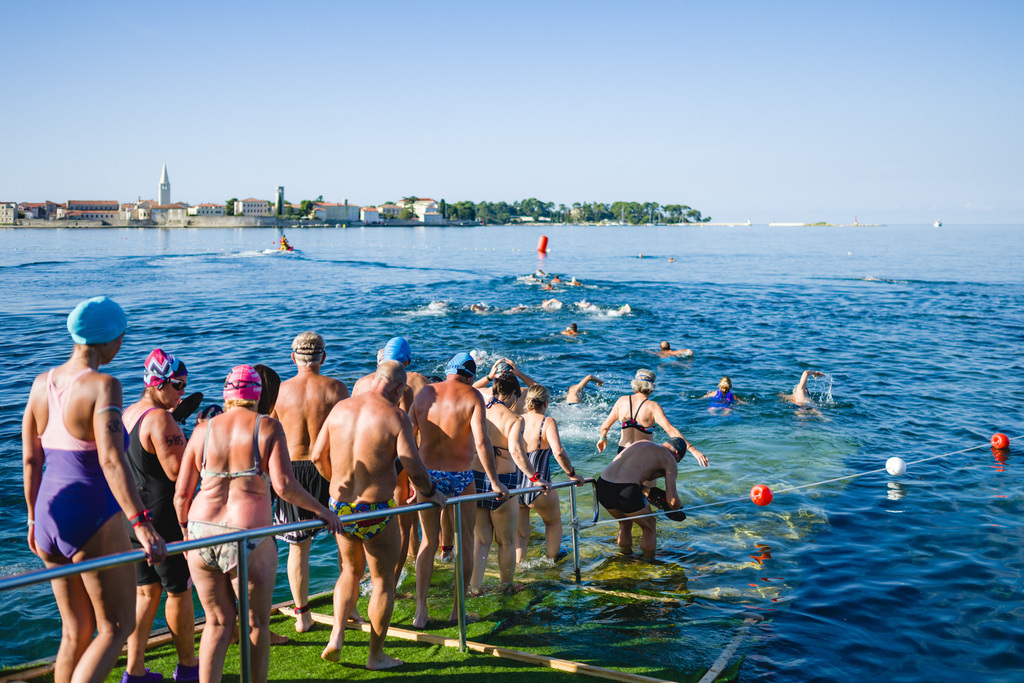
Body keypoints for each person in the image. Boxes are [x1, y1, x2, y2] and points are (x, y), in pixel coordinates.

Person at [22, 296, 167, 683]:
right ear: (108, 341)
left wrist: (33, 520)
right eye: (120, 336)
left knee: (76, 630)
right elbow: (110, 460)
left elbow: (31, 460)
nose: (121, 344)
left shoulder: (41, 384)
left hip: (48, 514)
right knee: (116, 626)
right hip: (91, 513)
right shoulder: (105, 386)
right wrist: (141, 525)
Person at [174, 365, 342, 683]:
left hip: (200, 534)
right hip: (247, 534)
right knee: (255, 623)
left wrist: (185, 535)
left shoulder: (202, 431)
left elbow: (181, 495)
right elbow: (284, 486)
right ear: (259, 395)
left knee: (217, 622)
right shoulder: (267, 427)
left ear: (226, 393)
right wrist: (323, 511)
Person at [311, 361, 447, 669]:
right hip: (377, 510)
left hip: (341, 507)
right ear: (399, 389)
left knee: (348, 571)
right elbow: (413, 466)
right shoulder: (395, 416)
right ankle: (376, 656)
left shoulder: (341, 409)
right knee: (382, 581)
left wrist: (336, 487)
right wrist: (430, 492)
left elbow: (317, 456)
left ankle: (336, 636)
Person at [408, 353, 508, 628]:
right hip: (461, 476)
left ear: (449, 370)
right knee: (465, 542)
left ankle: (420, 612)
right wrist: (495, 481)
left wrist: (411, 478)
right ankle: (457, 611)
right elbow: (482, 441)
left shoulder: (425, 392)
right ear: (471, 376)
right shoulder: (473, 396)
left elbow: (406, 437)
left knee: (428, 542)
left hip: (427, 476)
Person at [122, 349, 199, 683]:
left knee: (145, 592)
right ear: (159, 384)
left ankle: (134, 671)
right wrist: (197, 441)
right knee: (178, 591)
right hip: (163, 520)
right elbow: (177, 470)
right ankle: (187, 669)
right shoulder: (160, 419)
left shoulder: (127, 414)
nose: (182, 393)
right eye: (179, 385)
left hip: (133, 518)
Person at [270, 332, 350, 632]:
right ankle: (350, 608)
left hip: (291, 472)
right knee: (345, 542)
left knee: (298, 547)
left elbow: (268, 433)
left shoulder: (278, 392)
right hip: (328, 467)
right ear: (323, 358)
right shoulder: (337, 388)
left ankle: (302, 615)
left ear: (293, 358)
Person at [351, 337, 429, 579]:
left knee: (363, 521)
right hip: (399, 460)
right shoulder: (413, 382)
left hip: (362, 459)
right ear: (406, 361)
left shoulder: (360, 384)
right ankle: (394, 579)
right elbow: (408, 428)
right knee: (405, 522)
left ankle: (366, 576)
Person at [469, 374, 549, 594]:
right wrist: (535, 478)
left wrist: (489, 374)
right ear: (514, 393)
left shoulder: (481, 406)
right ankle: (506, 586)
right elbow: (515, 451)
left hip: (476, 478)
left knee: (481, 539)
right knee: (505, 541)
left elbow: (474, 389)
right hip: (504, 482)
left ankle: (474, 587)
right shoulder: (514, 419)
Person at [516, 385, 583, 562]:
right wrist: (572, 474)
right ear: (546, 402)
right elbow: (558, 452)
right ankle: (550, 562)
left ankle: (520, 566)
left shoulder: (516, 420)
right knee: (552, 523)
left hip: (515, 487)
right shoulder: (547, 422)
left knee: (521, 535)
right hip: (539, 487)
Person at [596, 437, 690, 559]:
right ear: (677, 453)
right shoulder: (669, 458)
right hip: (625, 489)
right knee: (649, 525)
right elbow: (672, 501)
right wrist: (677, 508)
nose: (676, 462)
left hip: (602, 485)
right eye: (678, 460)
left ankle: (626, 557)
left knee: (624, 522)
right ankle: (647, 561)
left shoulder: (641, 442)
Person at [596, 369, 710, 468]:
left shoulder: (622, 401)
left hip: (622, 452)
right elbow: (671, 431)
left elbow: (605, 426)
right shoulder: (653, 406)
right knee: (647, 491)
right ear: (651, 387)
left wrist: (602, 438)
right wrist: (693, 450)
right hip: (644, 455)